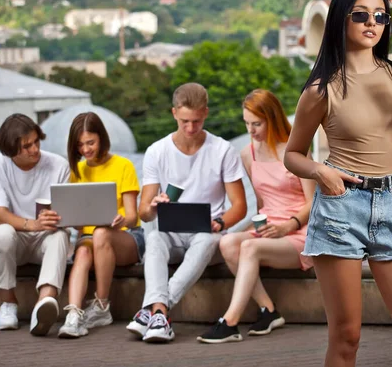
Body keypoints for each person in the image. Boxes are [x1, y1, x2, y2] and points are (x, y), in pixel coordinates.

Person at [283, 0, 392, 367]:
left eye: (380, 16)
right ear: (341, 20)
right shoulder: (322, 89)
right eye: (361, 15)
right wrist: (321, 171)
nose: (372, 23)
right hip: (341, 209)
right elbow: (292, 155)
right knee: (346, 338)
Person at [126, 82, 247, 343]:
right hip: (170, 232)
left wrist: (219, 221)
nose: (191, 128)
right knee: (154, 238)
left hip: (207, 234)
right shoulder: (157, 151)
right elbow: (144, 214)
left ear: (205, 113)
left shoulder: (223, 150)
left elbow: (240, 206)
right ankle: (159, 314)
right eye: (184, 122)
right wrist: (153, 206)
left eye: (196, 121)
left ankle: (154, 310)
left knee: (205, 239)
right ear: (173, 113)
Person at [197, 89, 315, 344]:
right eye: (247, 124)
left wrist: (287, 227)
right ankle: (268, 310)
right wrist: (241, 229)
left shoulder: (297, 151)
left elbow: (314, 203)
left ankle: (229, 322)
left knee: (248, 247)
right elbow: (262, 205)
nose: (251, 130)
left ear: (272, 118)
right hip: (270, 230)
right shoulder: (247, 154)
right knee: (228, 242)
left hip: (301, 232)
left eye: (257, 124)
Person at [57, 112, 145, 338]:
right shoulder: (77, 170)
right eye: (80, 145)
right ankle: (74, 314)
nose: (85, 149)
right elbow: (79, 226)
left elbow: (134, 217)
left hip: (125, 237)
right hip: (89, 239)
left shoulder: (123, 166)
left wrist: (120, 220)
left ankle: (102, 306)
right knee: (84, 252)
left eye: (90, 143)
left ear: (102, 138)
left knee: (102, 233)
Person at [0, 113, 70, 336]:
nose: (34, 149)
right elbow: (0, 213)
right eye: (26, 146)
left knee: (61, 236)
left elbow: (68, 214)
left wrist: (58, 219)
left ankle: (44, 303)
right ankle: (8, 304)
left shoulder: (58, 165)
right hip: (17, 240)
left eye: (36, 142)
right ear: (11, 151)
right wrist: (32, 224)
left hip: (47, 240)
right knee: (1, 233)